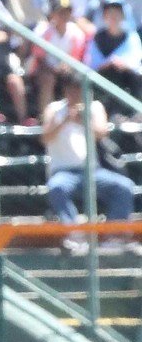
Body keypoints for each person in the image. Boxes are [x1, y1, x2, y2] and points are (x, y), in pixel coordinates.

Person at [43, 76, 137, 228]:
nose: (75, 93)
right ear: (65, 90)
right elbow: (45, 137)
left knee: (124, 187)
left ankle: (113, 234)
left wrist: (84, 121)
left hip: (93, 171)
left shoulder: (94, 107)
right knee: (56, 187)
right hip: (63, 172)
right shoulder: (54, 109)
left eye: (79, 89)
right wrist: (65, 120)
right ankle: (73, 232)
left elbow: (102, 133)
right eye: (72, 89)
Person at [85, 0, 142, 103]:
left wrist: (120, 64)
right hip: (102, 85)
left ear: (123, 15)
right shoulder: (97, 38)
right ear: (104, 15)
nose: (113, 16)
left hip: (127, 84)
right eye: (110, 12)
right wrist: (109, 63)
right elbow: (91, 65)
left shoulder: (131, 37)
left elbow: (135, 65)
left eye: (117, 12)